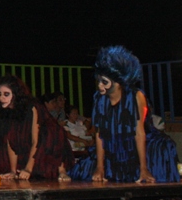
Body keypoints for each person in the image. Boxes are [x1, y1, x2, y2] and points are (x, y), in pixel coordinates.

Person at [69, 46, 180, 183]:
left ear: (118, 82)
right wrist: (100, 167)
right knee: (85, 170)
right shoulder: (99, 98)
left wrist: (143, 168)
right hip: (113, 145)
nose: (99, 85)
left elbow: (139, 132)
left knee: (162, 151)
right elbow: (99, 134)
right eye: (99, 80)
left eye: (104, 82)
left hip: (137, 143)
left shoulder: (135, 96)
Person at [0, 75, 73, 181]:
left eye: (6, 94)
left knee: (50, 131)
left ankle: (62, 170)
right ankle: (21, 169)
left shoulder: (31, 107)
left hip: (44, 142)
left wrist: (28, 169)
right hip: (26, 145)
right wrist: (13, 171)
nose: (2, 98)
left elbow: (37, 140)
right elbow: (10, 142)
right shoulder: (5, 111)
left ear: (16, 94)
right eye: (0, 94)